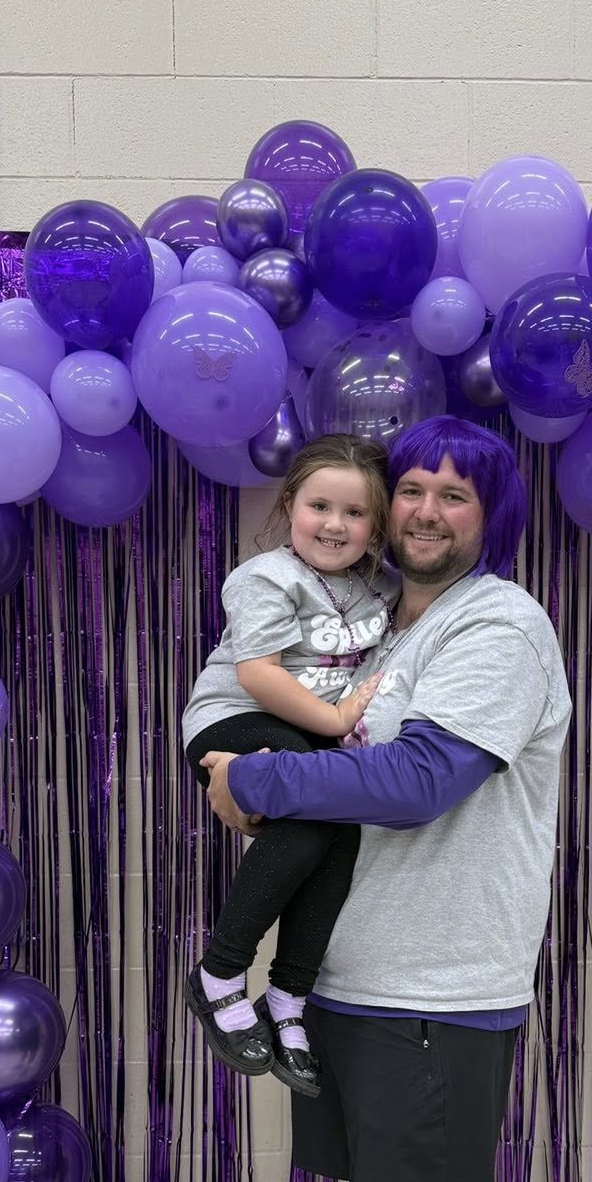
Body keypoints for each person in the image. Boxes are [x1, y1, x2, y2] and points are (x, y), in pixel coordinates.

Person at [201, 415, 571, 1182]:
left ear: (490, 513)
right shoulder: (381, 623)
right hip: (355, 977)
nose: (421, 510)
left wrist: (257, 782)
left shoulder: (496, 626)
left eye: (451, 495)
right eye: (408, 487)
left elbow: (417, 783)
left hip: (442, 989)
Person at [181, 432, 394, 1097]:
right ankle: (218, 972)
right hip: (233, 720)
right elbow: (258, 675)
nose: (334, 524)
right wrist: (335, 721)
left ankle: (288, 997)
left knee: (342, 831)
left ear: (375, 524)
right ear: (290, 506)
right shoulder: (266, 579)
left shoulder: (378, 587)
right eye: (319, 506)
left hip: (310, 743)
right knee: (309, 792)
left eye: (355, 514)